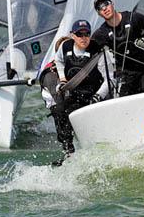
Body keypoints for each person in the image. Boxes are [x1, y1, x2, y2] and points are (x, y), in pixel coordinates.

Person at [42, 20, 114, 166]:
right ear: (72, 36)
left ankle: (99, 154)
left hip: (95, 95)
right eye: (79, 34)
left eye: (87, 33)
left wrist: (98, 96)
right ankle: (69, 152)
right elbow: (59, 61)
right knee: (60, 112)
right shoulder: (65, 46)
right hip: (75, 93)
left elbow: (109, 80)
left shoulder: (98, 51)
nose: (83, 37)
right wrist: (62, 79)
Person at [91, 0, 144, 96]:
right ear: (99, 14)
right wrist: (66, 43)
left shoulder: (133, 18)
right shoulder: (102, 33)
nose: (104, 9)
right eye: (100, 8)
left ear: (112, 4)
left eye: (106, 4)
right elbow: (86, 45)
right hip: (126, 73)